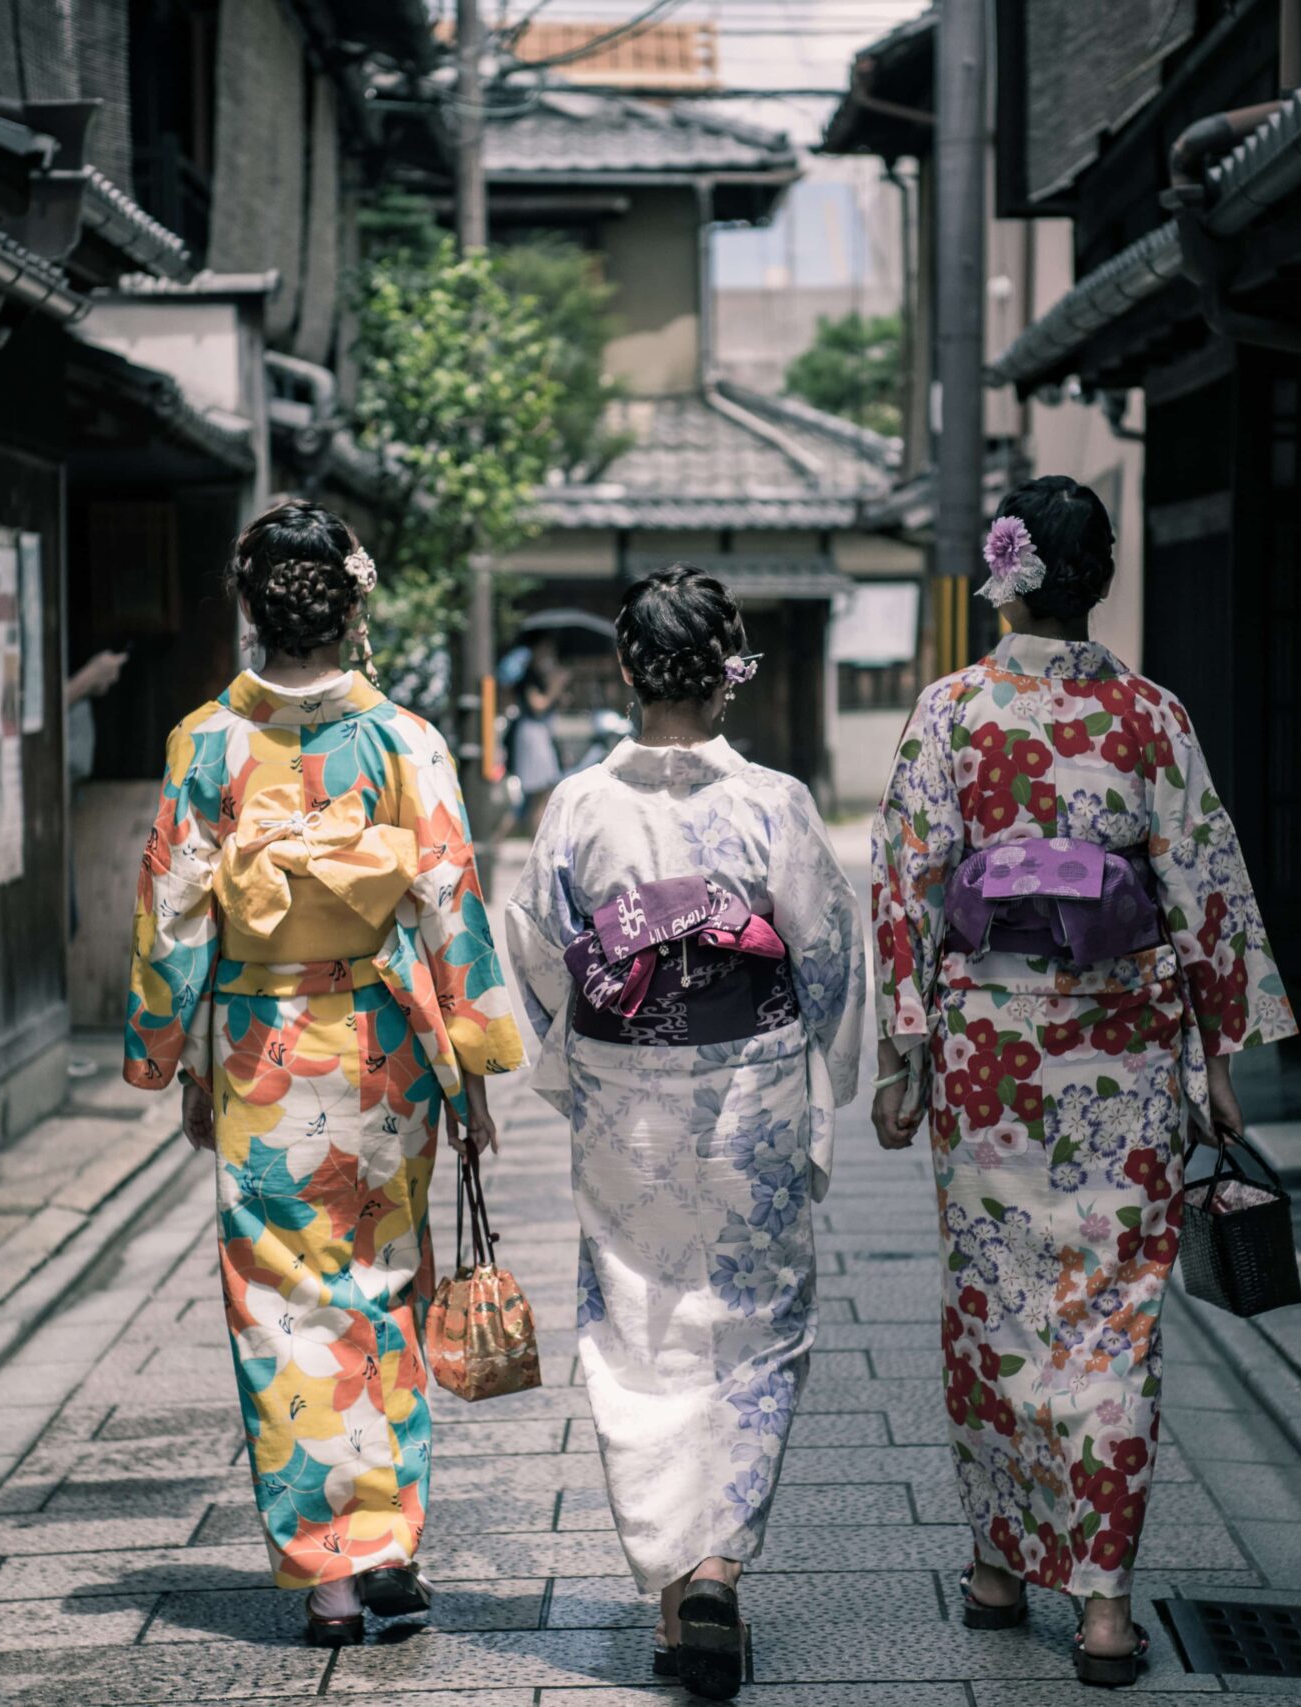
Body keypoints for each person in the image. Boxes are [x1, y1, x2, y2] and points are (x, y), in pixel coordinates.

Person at [869, 477, 1295, 1687]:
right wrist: (1216, 1060)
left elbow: (906, 890)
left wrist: (902, 1060)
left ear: (1001, 576)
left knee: (996, 1307)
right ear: (1098, 577)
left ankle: (1000, 1566)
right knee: (1112, 1321)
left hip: (990, 1058)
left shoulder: (951, 713)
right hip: (1122, 1053)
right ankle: (1103, 1603)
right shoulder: (1150, 717)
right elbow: (1205, 889)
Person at [123, 496, 524, 1648]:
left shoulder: (208, 742)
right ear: (352, 606)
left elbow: (174, 915)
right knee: (383, 1283)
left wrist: (171, 1051)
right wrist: (476, 1063)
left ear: (250, 608)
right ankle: (390, 1543)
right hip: (386, 1042)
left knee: (282, 1307)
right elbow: (450, 898)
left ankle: (331, 1580)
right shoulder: (405, 739)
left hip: (259, 1044)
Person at [502, 567, 865, 1701]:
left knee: (639, 1324)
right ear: (728, 673)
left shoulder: (576, 806)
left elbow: (537, 950)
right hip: (749, 1083)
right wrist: (828, 1071)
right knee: (752, 1328)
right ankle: (717, 1565)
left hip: (624, 1086)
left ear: (624, 674)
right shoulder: (774, 804)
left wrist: (579, 1055)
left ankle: (674, 1597)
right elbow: (825, 956)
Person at [505, 638, 569, 837]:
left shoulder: (540, 676)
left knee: (543, 794)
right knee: (538, 795)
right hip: (532, 736)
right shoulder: (529, 677)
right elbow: (538, 705)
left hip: (541, 734)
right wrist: (556, 686)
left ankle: (533, 840)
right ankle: (535, 842)